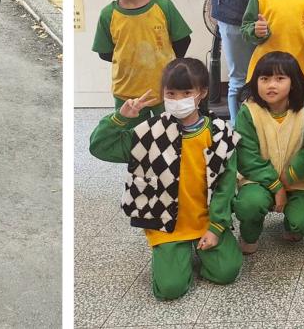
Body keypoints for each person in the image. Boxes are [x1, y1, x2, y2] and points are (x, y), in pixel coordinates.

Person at [89, 58, 243, 300]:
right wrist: (121, 117)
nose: (178, 99)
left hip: (206, 220)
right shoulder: (150, 133)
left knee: (227, 272)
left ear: (201, 93)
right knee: (170, 289)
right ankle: (173, 255)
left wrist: (216, 227)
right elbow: (100, 147)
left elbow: (225, 185)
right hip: (167, 223)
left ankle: (197, 251)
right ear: (163, 93)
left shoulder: (219, 133)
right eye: (171, 93)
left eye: (186, 92)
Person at [232, 51, 304, 254]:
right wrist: (276, 185)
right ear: (256, 82)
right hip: (258, 179)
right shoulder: (249, 110)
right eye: (264, 79)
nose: (271, 85)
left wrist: (290, 175)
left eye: (280, 78)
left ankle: (293, 225)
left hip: (299, 179)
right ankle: (249, 234)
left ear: (294, 82)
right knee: (249, 205)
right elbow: (246, 156)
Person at [92, 0, 192, 115]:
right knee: (131, 135)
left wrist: (167, 67)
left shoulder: (163, 6)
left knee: (167, 134)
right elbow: (105, 52)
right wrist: (131, 61)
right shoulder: (108, 14)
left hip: (165, 89)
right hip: (127, 92)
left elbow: (182, 40)